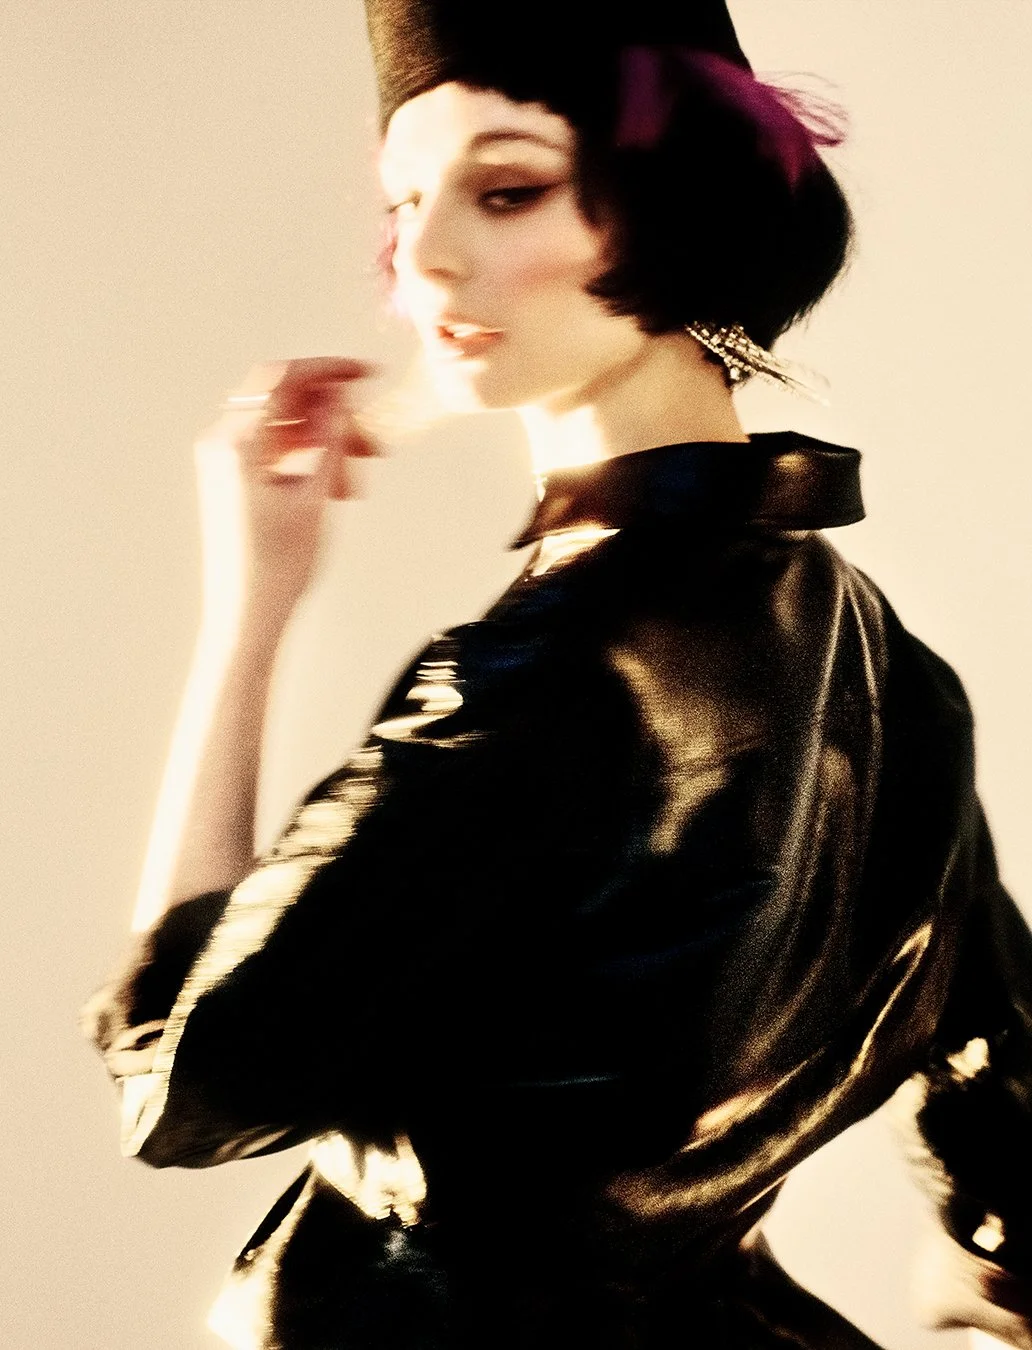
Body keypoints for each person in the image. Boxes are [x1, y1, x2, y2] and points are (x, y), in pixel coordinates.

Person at [81, 2, 1032, 1346]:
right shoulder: (884, 658)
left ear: (681, 206)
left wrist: (248, 611)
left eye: (507, 188)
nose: (424, 257)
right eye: (403, 200)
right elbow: (1005, 1081)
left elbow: (185, 1084)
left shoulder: (542, 675)